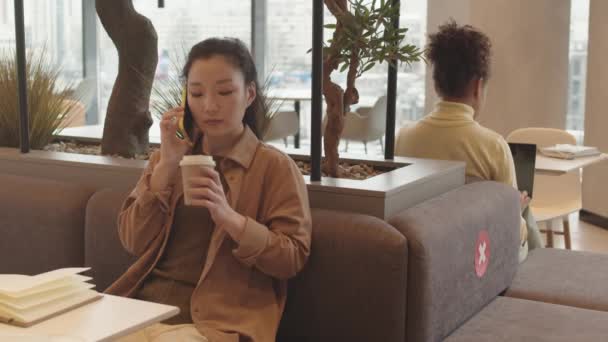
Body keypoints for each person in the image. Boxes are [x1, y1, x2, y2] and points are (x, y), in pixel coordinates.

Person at [110, 38, 312, 342]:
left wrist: (230, 219)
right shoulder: (169, 156)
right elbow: (132, 240)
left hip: (216, 324)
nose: (210, 106)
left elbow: (291, 257)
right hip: (142, 309)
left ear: (249, 94)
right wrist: (166, 166)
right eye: (196, 93)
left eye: (225, 91)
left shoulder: (274, 167)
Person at [394, 20, 543, 261]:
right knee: (523, 214)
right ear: (478, 86)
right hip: (477, 259)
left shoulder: (404, 138)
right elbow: (512, 231)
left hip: (425, 255)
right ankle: (540, 277)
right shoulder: (493, 147)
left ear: (435, 84)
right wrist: (517, 208)